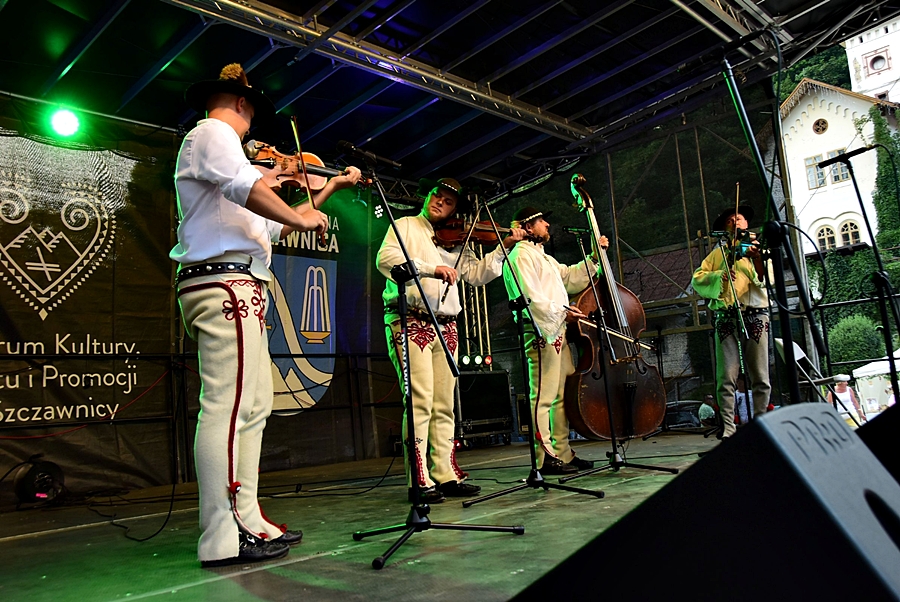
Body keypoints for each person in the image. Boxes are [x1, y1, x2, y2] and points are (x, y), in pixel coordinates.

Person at [172, 64, 361, 567]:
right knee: (229, 406)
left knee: (253, 406)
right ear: (241, 103)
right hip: (224, 282)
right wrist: (296, 210)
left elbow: (274, 226)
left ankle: (248, 517)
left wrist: (324, 194)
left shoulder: (230, 160)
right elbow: (250, 190)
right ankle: (221, 532)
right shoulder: (213, 133)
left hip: (240, 282)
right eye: (252, 111)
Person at [376, 178, 526, 504]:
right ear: (427, 196)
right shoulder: (405, 225)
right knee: (420, 400)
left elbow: (477, 275)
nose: (440, 203)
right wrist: (431, 268)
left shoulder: (457, 241)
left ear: (454, 209)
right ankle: (419, 478)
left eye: (448, 202)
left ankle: (445, 473)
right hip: (410, 320)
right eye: (437, 196)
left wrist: (504, 247)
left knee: (445, 403)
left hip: (447, 326)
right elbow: (386, 260)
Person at [502, 206, 607, 475]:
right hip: (540, 331)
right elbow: (530, 298)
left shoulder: (543, 257)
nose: (547, 224)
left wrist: (594, 257)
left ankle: (562, 452)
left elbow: (569, 277)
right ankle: (543, 456)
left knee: (560, 395)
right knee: (543, 396)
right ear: (527, 227)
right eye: (541, 221)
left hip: (556, 330)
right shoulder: (520, 256)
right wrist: (563, 312)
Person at [692, 205, 771, 439]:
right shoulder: (718, 254)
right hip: (727, 316)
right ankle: (728, 427)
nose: (735, 222)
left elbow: (767, 279)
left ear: (746, 224)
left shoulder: (757, 247)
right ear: (725, 229)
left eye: (739, 218)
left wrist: (757, 258)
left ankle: (761, 426)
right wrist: (721, 276)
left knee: (760, 375)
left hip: (755, 314)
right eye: (730, 220)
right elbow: (698, 278)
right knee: (726, 376)